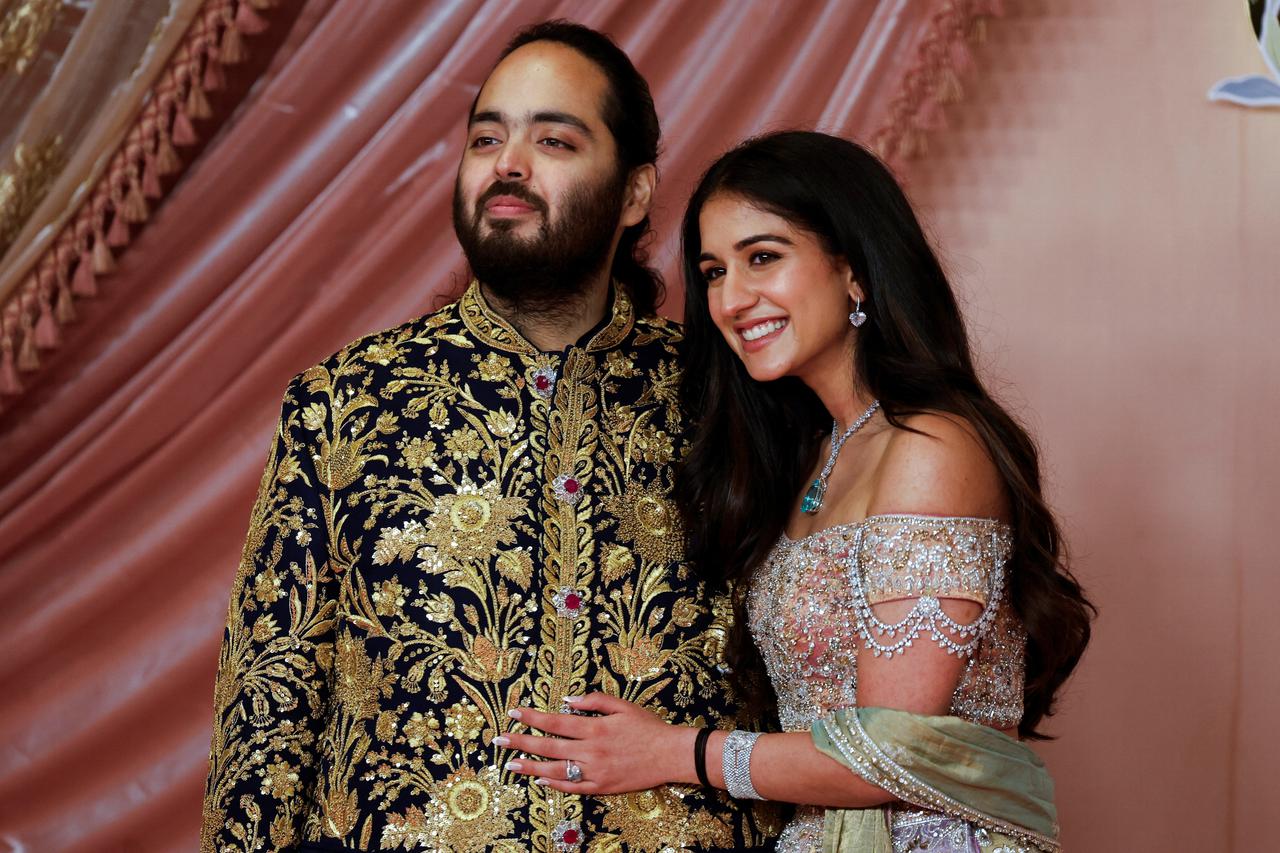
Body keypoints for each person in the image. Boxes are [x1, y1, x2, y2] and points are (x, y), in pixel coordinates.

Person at [200, 22, 782, 853]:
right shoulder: (346, 400)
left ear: (634, 193)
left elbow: (812, 672)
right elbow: (268, 709)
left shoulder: (725, 394)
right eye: (486, 137)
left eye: (553, 138)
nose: (508, 162)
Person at [500, 131, 1095, 853]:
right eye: (714, 271)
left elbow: (893, 751)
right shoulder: (817, 454)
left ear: (854, 270)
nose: (731, 297)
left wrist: (675, 753)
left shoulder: (932, 446)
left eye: (763, 257)